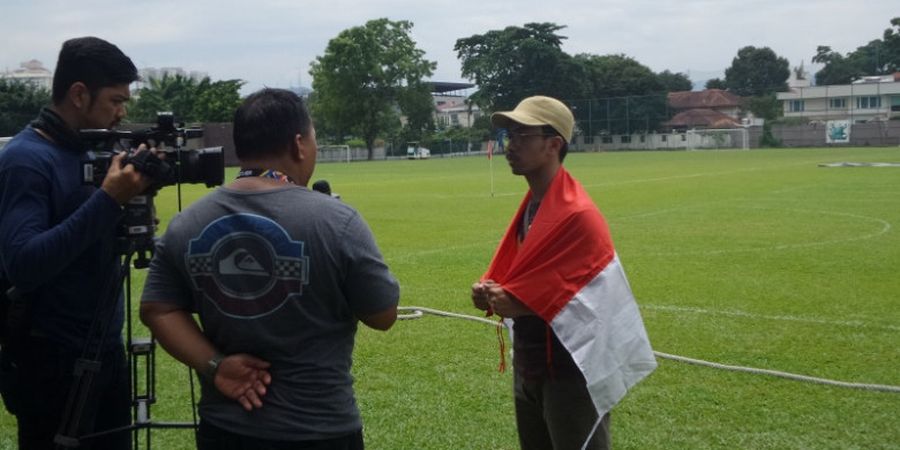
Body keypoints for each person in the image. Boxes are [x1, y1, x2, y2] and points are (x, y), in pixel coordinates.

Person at [140, 88, 399, 449]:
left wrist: (215, 366)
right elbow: (382, 314)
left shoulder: (186, 223)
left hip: (224, 429)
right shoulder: (337, 221)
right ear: (299, 145)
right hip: (320, 429)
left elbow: (156, 309)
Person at [471, 96, 656, 450]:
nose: (511, 145)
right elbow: (530, 278)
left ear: (553, 144)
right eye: (510, 135)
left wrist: (518, 301)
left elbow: (591, 300)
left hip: (573, 373)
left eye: (523, 135)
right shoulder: (533, 208)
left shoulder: (578, 215)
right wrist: (492, 292)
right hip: (531, 363)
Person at [0, 37, 153, 449]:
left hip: (105, 348)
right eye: (115, 100)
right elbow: (24, 263)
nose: (122, 113)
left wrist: (130, 215)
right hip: (50, 360)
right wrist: (108, 201)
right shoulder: (26, 159)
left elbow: (86, 237)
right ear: (79, 94)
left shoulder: (93, 150)